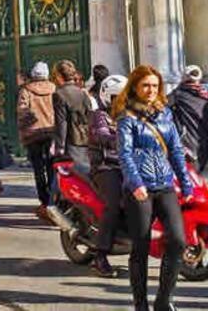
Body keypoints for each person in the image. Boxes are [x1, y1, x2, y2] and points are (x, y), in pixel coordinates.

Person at [115, 65, 192, 311]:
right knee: (141, 246)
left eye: (155, 86)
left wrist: (185, 182)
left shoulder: (165, 114)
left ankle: (163, 300)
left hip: (165, 186)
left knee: (178, 241)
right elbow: (124, 154)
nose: (151, 90)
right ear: (135, 87)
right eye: (146, 85)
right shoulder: (127, 118)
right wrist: (136, 184)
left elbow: (176, 150)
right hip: (140, 190)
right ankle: (140, 304)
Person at [87, 74, 128, 278]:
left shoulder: (131, 115)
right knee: (113, 204)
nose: (122, 101)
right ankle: (100, 255)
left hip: (128, 165)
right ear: (107, 97)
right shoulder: (100, 116)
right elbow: (102, 134)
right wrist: (117, 140)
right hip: (106, 166)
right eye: (118, 97)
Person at [17, 63, 57, 220]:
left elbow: (22, 111)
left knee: (38, 168)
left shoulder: (26, 90)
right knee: (52, 167)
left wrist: (30, 123)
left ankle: (44, 200)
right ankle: (53, 200)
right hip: (51, 132)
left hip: (33, 134)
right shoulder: (54, 88)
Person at [167, 64, 208, 172]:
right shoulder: (204, 94)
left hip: (191, 145)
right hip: (195, 143)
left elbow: (160, 109)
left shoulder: (177, 94)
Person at [53, 59, 91, 172]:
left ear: (60, 76)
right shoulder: (83, 93)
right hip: (85, 137)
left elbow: (61, 122)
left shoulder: (59, 94)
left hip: (71, 139)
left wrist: (59, 147)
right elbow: (89, 114)